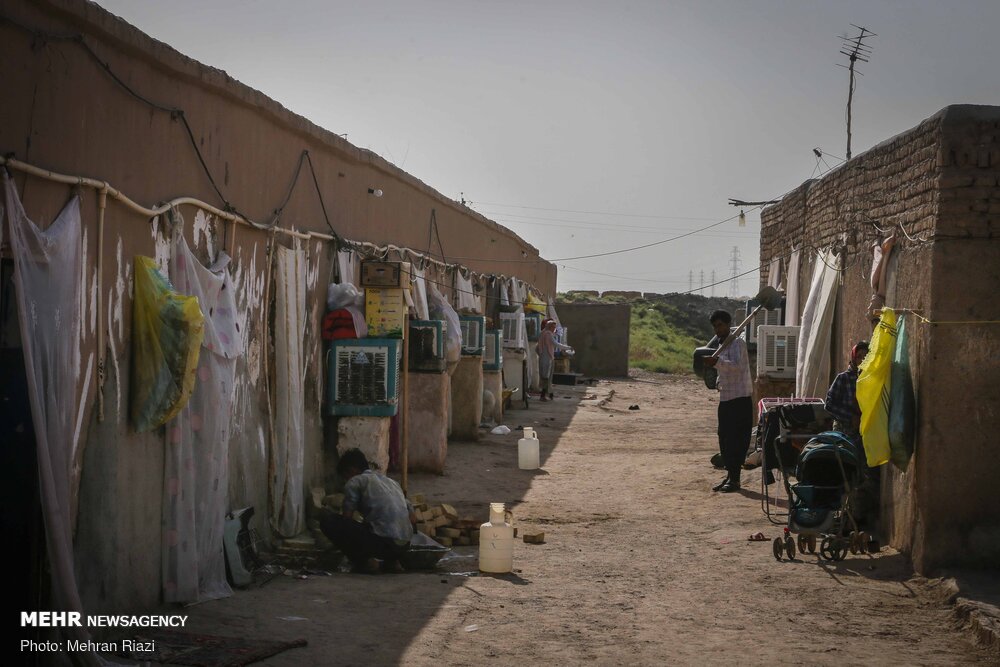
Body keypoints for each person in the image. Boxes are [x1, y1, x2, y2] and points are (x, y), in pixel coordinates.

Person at [320, 448, 415, 573]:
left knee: (329, 521)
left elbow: (346, 519)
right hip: (404, 545)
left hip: (382, 544)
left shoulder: (355, 481)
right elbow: (413, 517)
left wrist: (340, 545)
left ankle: (365, 562)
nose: (345, 481)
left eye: (345, 477)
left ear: (351, 470)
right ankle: (393, 562)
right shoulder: (391, 482)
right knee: (374, 526)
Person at [701, 310, 753, 493]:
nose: (718, 329)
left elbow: (738, 367)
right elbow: (723, 371)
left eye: (721, 325)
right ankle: (730, 476)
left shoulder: (738, 343)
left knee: (736, 440)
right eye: (715, 326)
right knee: (723, 438)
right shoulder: (719, 345)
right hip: (726, 398)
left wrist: (716, 362)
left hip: (740, 399)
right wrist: (717, 379)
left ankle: (736, 480)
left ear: (729, 324)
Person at [825, 340, 869, 440]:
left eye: (866, 357)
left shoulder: (871, 380)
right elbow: (829, 404)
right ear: (853, 359)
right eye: (859, 357)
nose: (862, 360)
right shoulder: (844, 378)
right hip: (844, 432)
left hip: (865, 433)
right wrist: (851, 417)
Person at [536, 319, 572, 401]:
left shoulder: (542, 333)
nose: (554, 329)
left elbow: (536, 348)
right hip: (547, 358)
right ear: (549, 327)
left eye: (554, 327)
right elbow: (556, 344)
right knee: (546, 377)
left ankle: (550, 394)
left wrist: (541, 354)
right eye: (553, 327)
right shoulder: (548, 334)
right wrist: (568, 347)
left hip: (543, 358)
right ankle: (543, 395)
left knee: (546, 377)